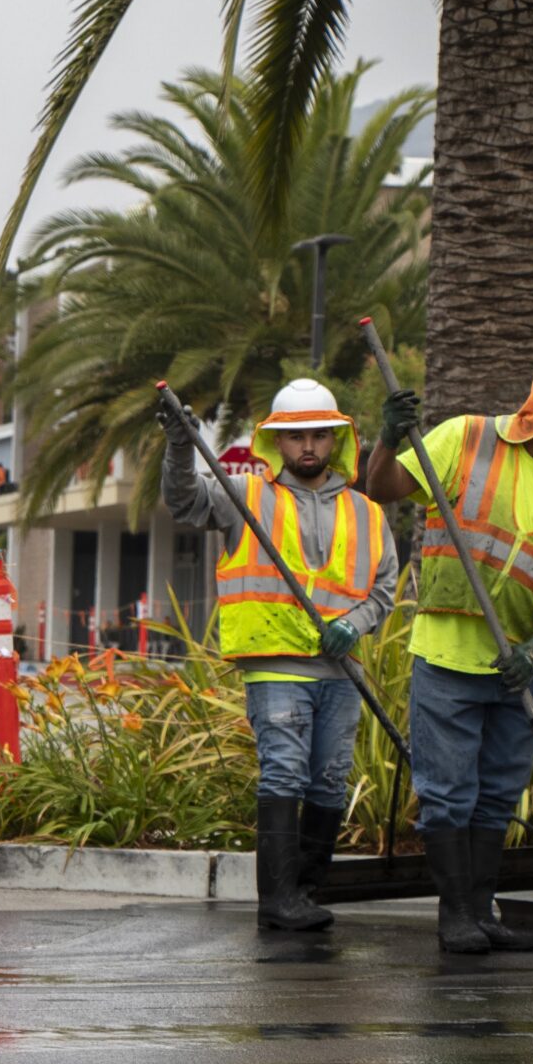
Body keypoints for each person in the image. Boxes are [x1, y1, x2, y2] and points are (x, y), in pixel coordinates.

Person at [362, 353, 533, 954]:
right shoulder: (465, 439)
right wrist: (386, 440)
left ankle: (482, 912)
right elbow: (381, 489)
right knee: (448, 790)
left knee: (500, 792)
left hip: (520, 672)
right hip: (449, 657)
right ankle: (455, 916)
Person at [162, 379, 396, 930]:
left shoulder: (367, 512)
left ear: (336, 440)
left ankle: (305, 891)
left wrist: (353, 624)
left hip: (342, 669)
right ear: (276, 443)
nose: (307, 446)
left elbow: (383, 590)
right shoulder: (245, 495)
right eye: (295, 437)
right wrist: (178, 445)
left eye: (318, 435)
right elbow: (185, 500)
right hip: (275, 663)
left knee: (330, 778)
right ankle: (278, 898)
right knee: (285, 772)